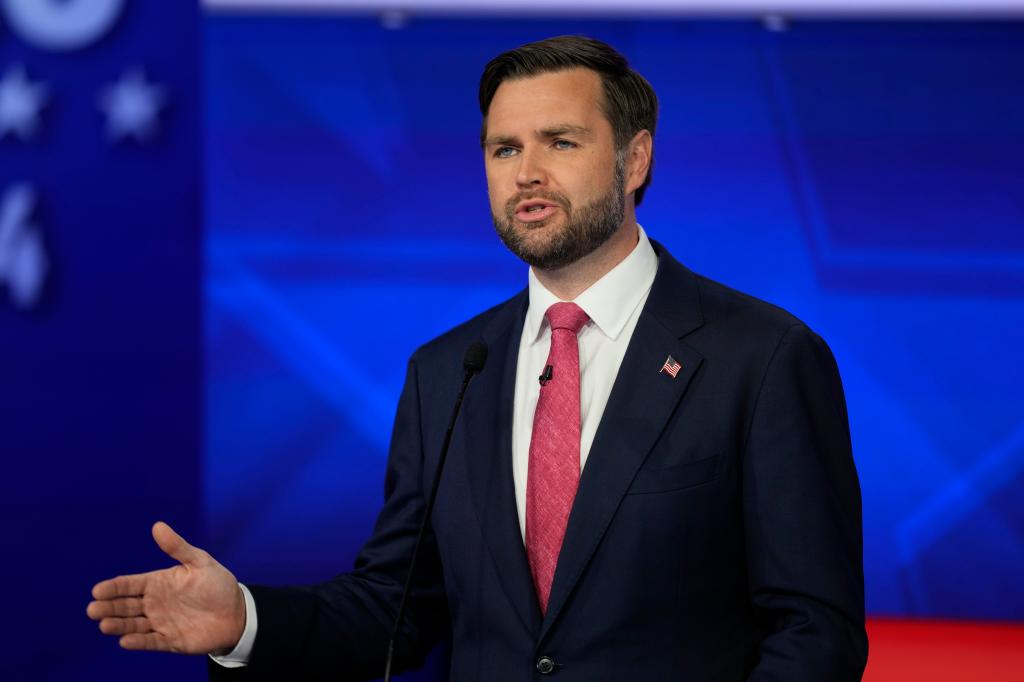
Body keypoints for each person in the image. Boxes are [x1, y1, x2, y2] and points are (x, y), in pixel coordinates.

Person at [88, 35, 867, 681]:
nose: (526, 171)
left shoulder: (762, 358)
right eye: (504, 148)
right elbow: (396, 611)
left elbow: (813, 634)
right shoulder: (447, 372)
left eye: (560, 142)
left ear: (635, 162)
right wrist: (245, 620)